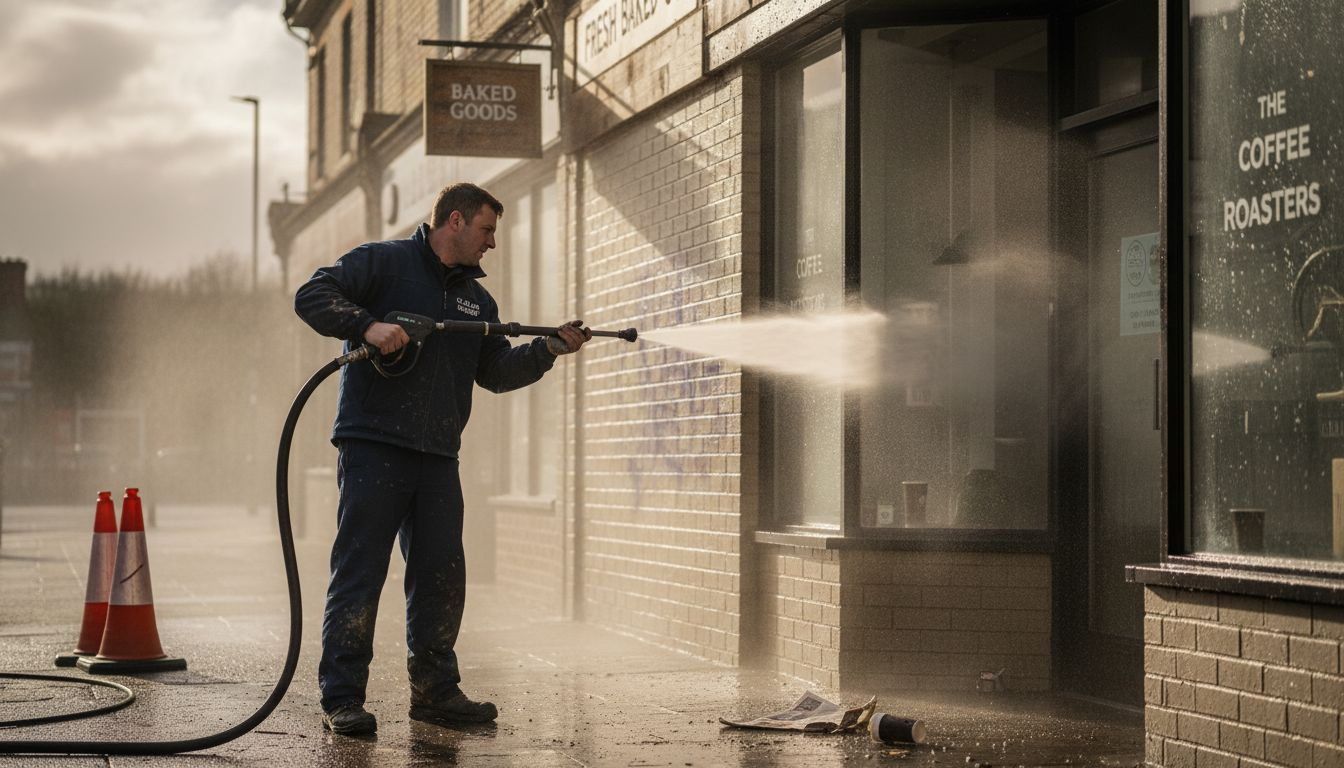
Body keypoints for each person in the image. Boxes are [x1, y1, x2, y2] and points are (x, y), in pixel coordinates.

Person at [293, 183, 589, 736]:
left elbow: (495, 373)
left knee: (441, 577)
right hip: (374, 446)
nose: (492, 243)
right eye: (487, 229)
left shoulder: (478, 301)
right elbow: (311, 294)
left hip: (437, 456)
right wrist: (367, 325)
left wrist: (547, 349)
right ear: (455, 220)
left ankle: (435, 693)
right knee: (360, 573)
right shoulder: (383, 263)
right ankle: (342, 698)